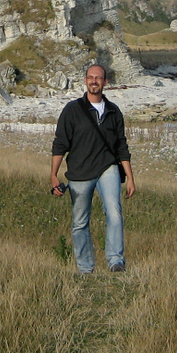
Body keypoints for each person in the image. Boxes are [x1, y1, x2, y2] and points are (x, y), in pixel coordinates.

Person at [50, 63, 135, 273]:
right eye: (90, 77)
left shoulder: (114, 111)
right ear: (85, 81)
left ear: (106, 82)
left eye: (98, 78)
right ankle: (85, 267)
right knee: (80, 222)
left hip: (108, 167)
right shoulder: (72, 110)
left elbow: (121, 146)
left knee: (114, 213)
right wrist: (53, 175)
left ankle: (116, 261)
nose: (94, 81)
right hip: (79, 171)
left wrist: (130, 178)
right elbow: (61, 143)